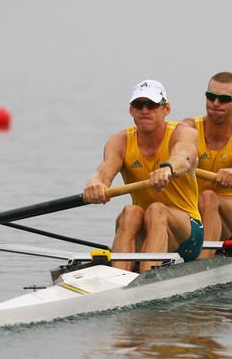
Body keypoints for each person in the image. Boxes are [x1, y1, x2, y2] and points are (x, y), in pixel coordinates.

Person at [83, 79, 203, 272]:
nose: (145, 110)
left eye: (152, 104)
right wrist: (95, 184)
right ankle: (117, 277)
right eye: (139, 105)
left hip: (187, 234)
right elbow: (104, 172)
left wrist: (168, 169)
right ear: (131, 110)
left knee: (157, 209)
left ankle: (146, 277)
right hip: (144, 230)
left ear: (166, 109)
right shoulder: (119, 141)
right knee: (130, 211)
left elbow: (184, 156)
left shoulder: (183, 133)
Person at [182, 72, 232, 258]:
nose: (216, 103)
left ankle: (202, 262)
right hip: (193, 215)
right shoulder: (188, 127)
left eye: (224, 99)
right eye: (211, 97)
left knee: (208, 197)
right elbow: (179, 147)